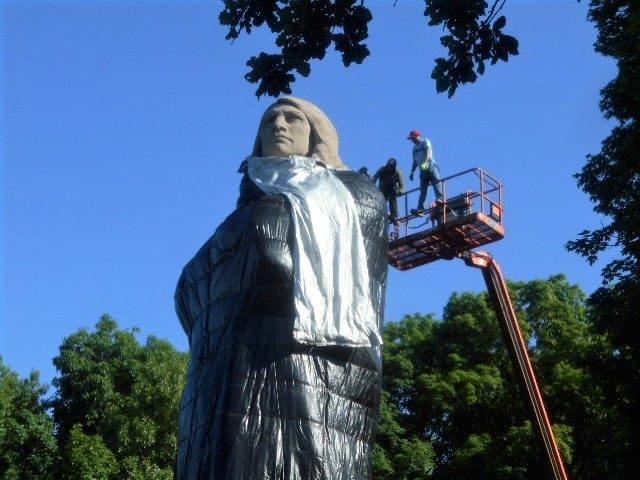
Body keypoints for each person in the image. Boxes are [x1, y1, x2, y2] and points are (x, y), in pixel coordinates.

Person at [174, 96, 388, 480]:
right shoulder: (241, 216)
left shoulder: (350, 195)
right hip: (225, 383)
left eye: (293, 118)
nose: (279, 125)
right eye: (270, 119)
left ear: (317, 135)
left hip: (309, 371)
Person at [407, 129, 444, 214]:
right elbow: (415, 161)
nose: (411, 140)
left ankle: (440, 198)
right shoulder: (414, 148)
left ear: (417, 136)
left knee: (436, 183)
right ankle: (420, 208)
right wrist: (412, 172)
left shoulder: (425, 141)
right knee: (423, 190)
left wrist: (427, 162)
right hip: (422, 171)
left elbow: (429, 151)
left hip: (431, 167)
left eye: (412, 138)